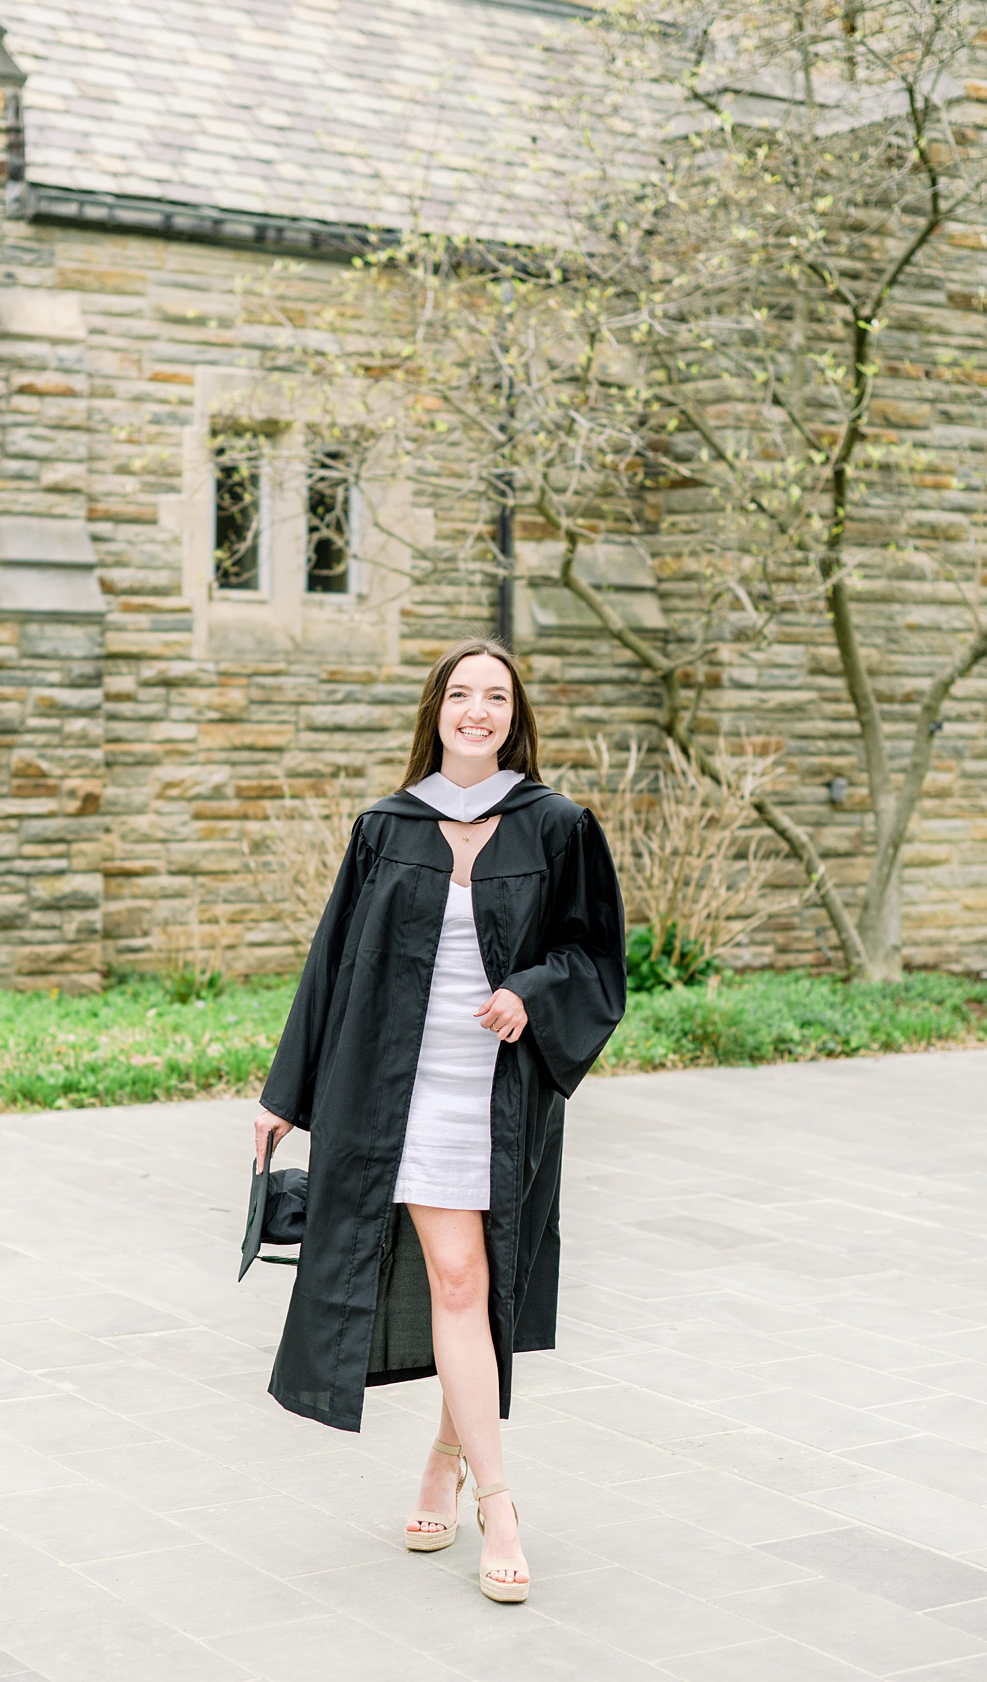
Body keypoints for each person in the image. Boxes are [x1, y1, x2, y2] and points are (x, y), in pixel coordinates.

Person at [252, 637, 625, 1605]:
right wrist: (283, 1096)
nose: (477, 710)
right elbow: (330, 962)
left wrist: (531, 991)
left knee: (484, 1282)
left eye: (495, 696)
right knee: (459, 1278)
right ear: (438, 709)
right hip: (396, 1090)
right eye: (461, 693)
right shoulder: (387, 825)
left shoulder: (556, 826)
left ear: (515, 715)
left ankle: (442, 1461)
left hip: (500, 1094)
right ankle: (500, 1504)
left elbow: (596, 958)